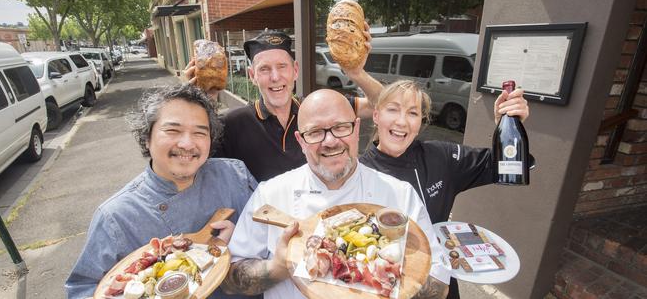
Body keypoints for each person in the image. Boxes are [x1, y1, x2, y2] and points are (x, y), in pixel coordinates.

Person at [221, 89, 451, 299]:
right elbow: (230, 280)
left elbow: (438, 282)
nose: (330, 141)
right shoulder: (270, 194)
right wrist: (278, 267)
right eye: (315, 132)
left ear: (357, 129)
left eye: (341, 127)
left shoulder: (400, 195)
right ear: (301, 141)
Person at [65, 84, 257, 299]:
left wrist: (239, 241)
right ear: (147, 137)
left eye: (199, 132)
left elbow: (269, 235)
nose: (187, 143)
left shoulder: (234, 174)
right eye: (173, 130)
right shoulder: (116, 216)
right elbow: (83, 289)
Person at [359, 79, 530, 299]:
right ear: (376, 116)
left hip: (438, 285)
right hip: (380, 287)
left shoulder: (441, 157)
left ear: (421, 121)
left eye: (413, 113)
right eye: (393, 110)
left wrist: (505, 126)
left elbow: (501, 166)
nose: (402, 121)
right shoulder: (359, 174)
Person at [185, 29, 383, 182]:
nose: (275, 77)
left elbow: (380, 105)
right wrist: (198, 99)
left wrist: (357, 73)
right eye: (264, 69)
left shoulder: (315, 110)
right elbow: (192, 163)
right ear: (252, 76)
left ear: (295, 71)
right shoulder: (233, 124)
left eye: (282, 66)